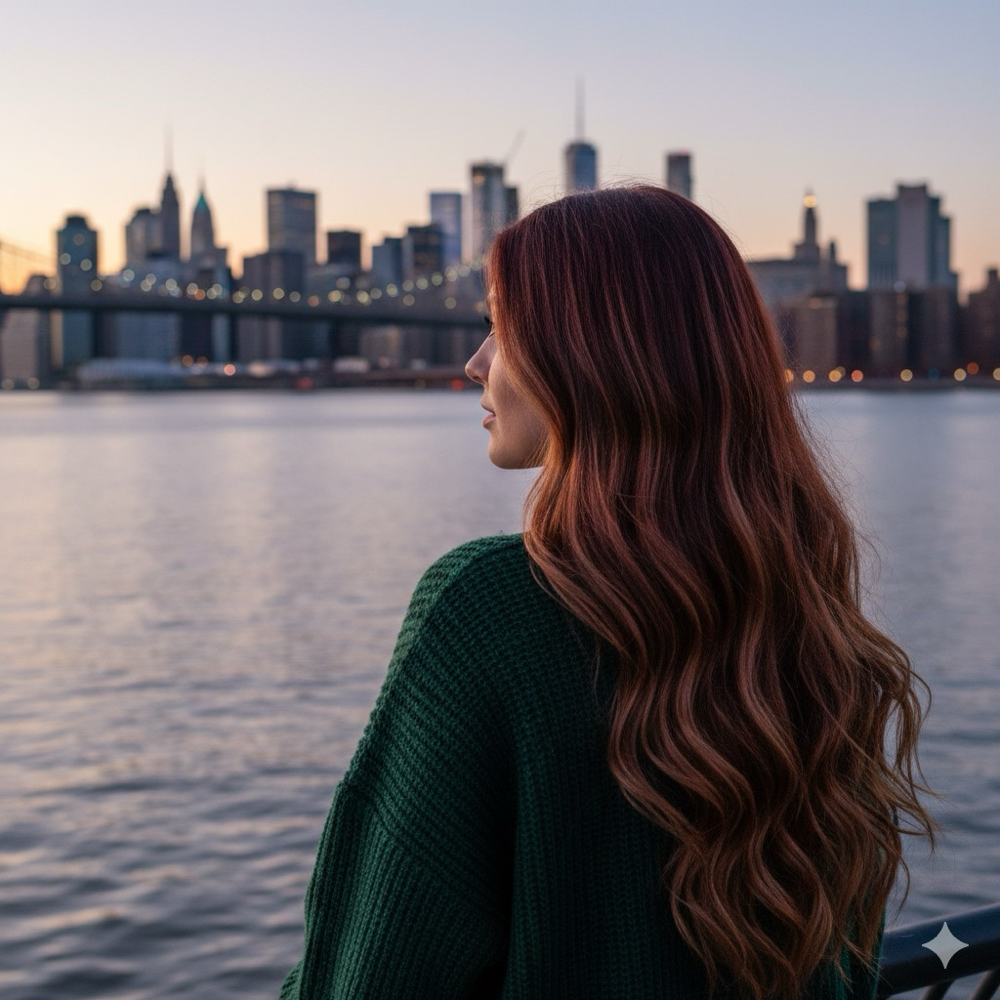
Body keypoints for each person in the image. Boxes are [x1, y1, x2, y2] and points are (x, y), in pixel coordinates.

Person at [280, 186, 934, 999]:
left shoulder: (489, 612)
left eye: (501, 330)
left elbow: (364, 978)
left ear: (589, 358)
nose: (475, 362)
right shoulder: (813, 631)